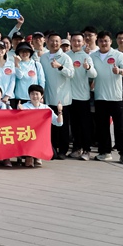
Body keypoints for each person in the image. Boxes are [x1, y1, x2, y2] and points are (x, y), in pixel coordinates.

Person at [90, 31, 123, 164]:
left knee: (120, 127)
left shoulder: (118, 55)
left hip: (115, 97)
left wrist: (119, 71)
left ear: (111, 42)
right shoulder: (93, 56)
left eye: (106, 41)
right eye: (101, 41)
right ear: (97, 42)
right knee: (102, 127)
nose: (103, 43)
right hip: (100, 96)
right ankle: (105, 152)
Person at [38, 32, 74, 160]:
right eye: (52, 41)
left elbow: (71, 74)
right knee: (51, 126)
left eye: (57, 41)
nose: (54, 43)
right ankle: (52, 149)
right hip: (48, 97)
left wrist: (60, 67)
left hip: (62, 98)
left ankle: (63, 150)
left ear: (60, 42)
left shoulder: (65, 58)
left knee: (63, 125)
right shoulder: (43, 57)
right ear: (47, 42)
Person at [66, 33, 96, 160]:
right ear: (71, 42)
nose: (76, 43)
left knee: (85, 125)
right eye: (74, 40)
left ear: (83, 42)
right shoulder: (66, 56)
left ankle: (86, 150)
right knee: (74, 125)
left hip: (83, 96)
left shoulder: (86, 57)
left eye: (79, 41)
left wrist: (88, 67)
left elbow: (94, 74)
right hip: (69, 96)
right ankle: (77, 148)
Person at [19, 84, 64, 167]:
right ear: (29, 95)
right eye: (32, 94)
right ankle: (29, 157)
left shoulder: (46, 108)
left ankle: (37, 156)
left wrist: (60, 111)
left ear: (42, 95)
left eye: (37, 94)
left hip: (40, 137)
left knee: (53, 154)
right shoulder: (24, 106)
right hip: (27, 136)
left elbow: (59, 123)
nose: (35, 96)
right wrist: (19, 111)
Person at [13, 42, 45, 109]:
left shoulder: (36, 64)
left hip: (34, 98)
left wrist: (41, 96)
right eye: (22, 51)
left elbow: (42, 81)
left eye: (26, 51)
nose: (24, 53)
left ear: (30, 52)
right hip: (20, 97)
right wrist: (17, 64)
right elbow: (19, 76)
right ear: (18, 53)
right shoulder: (14, 65)